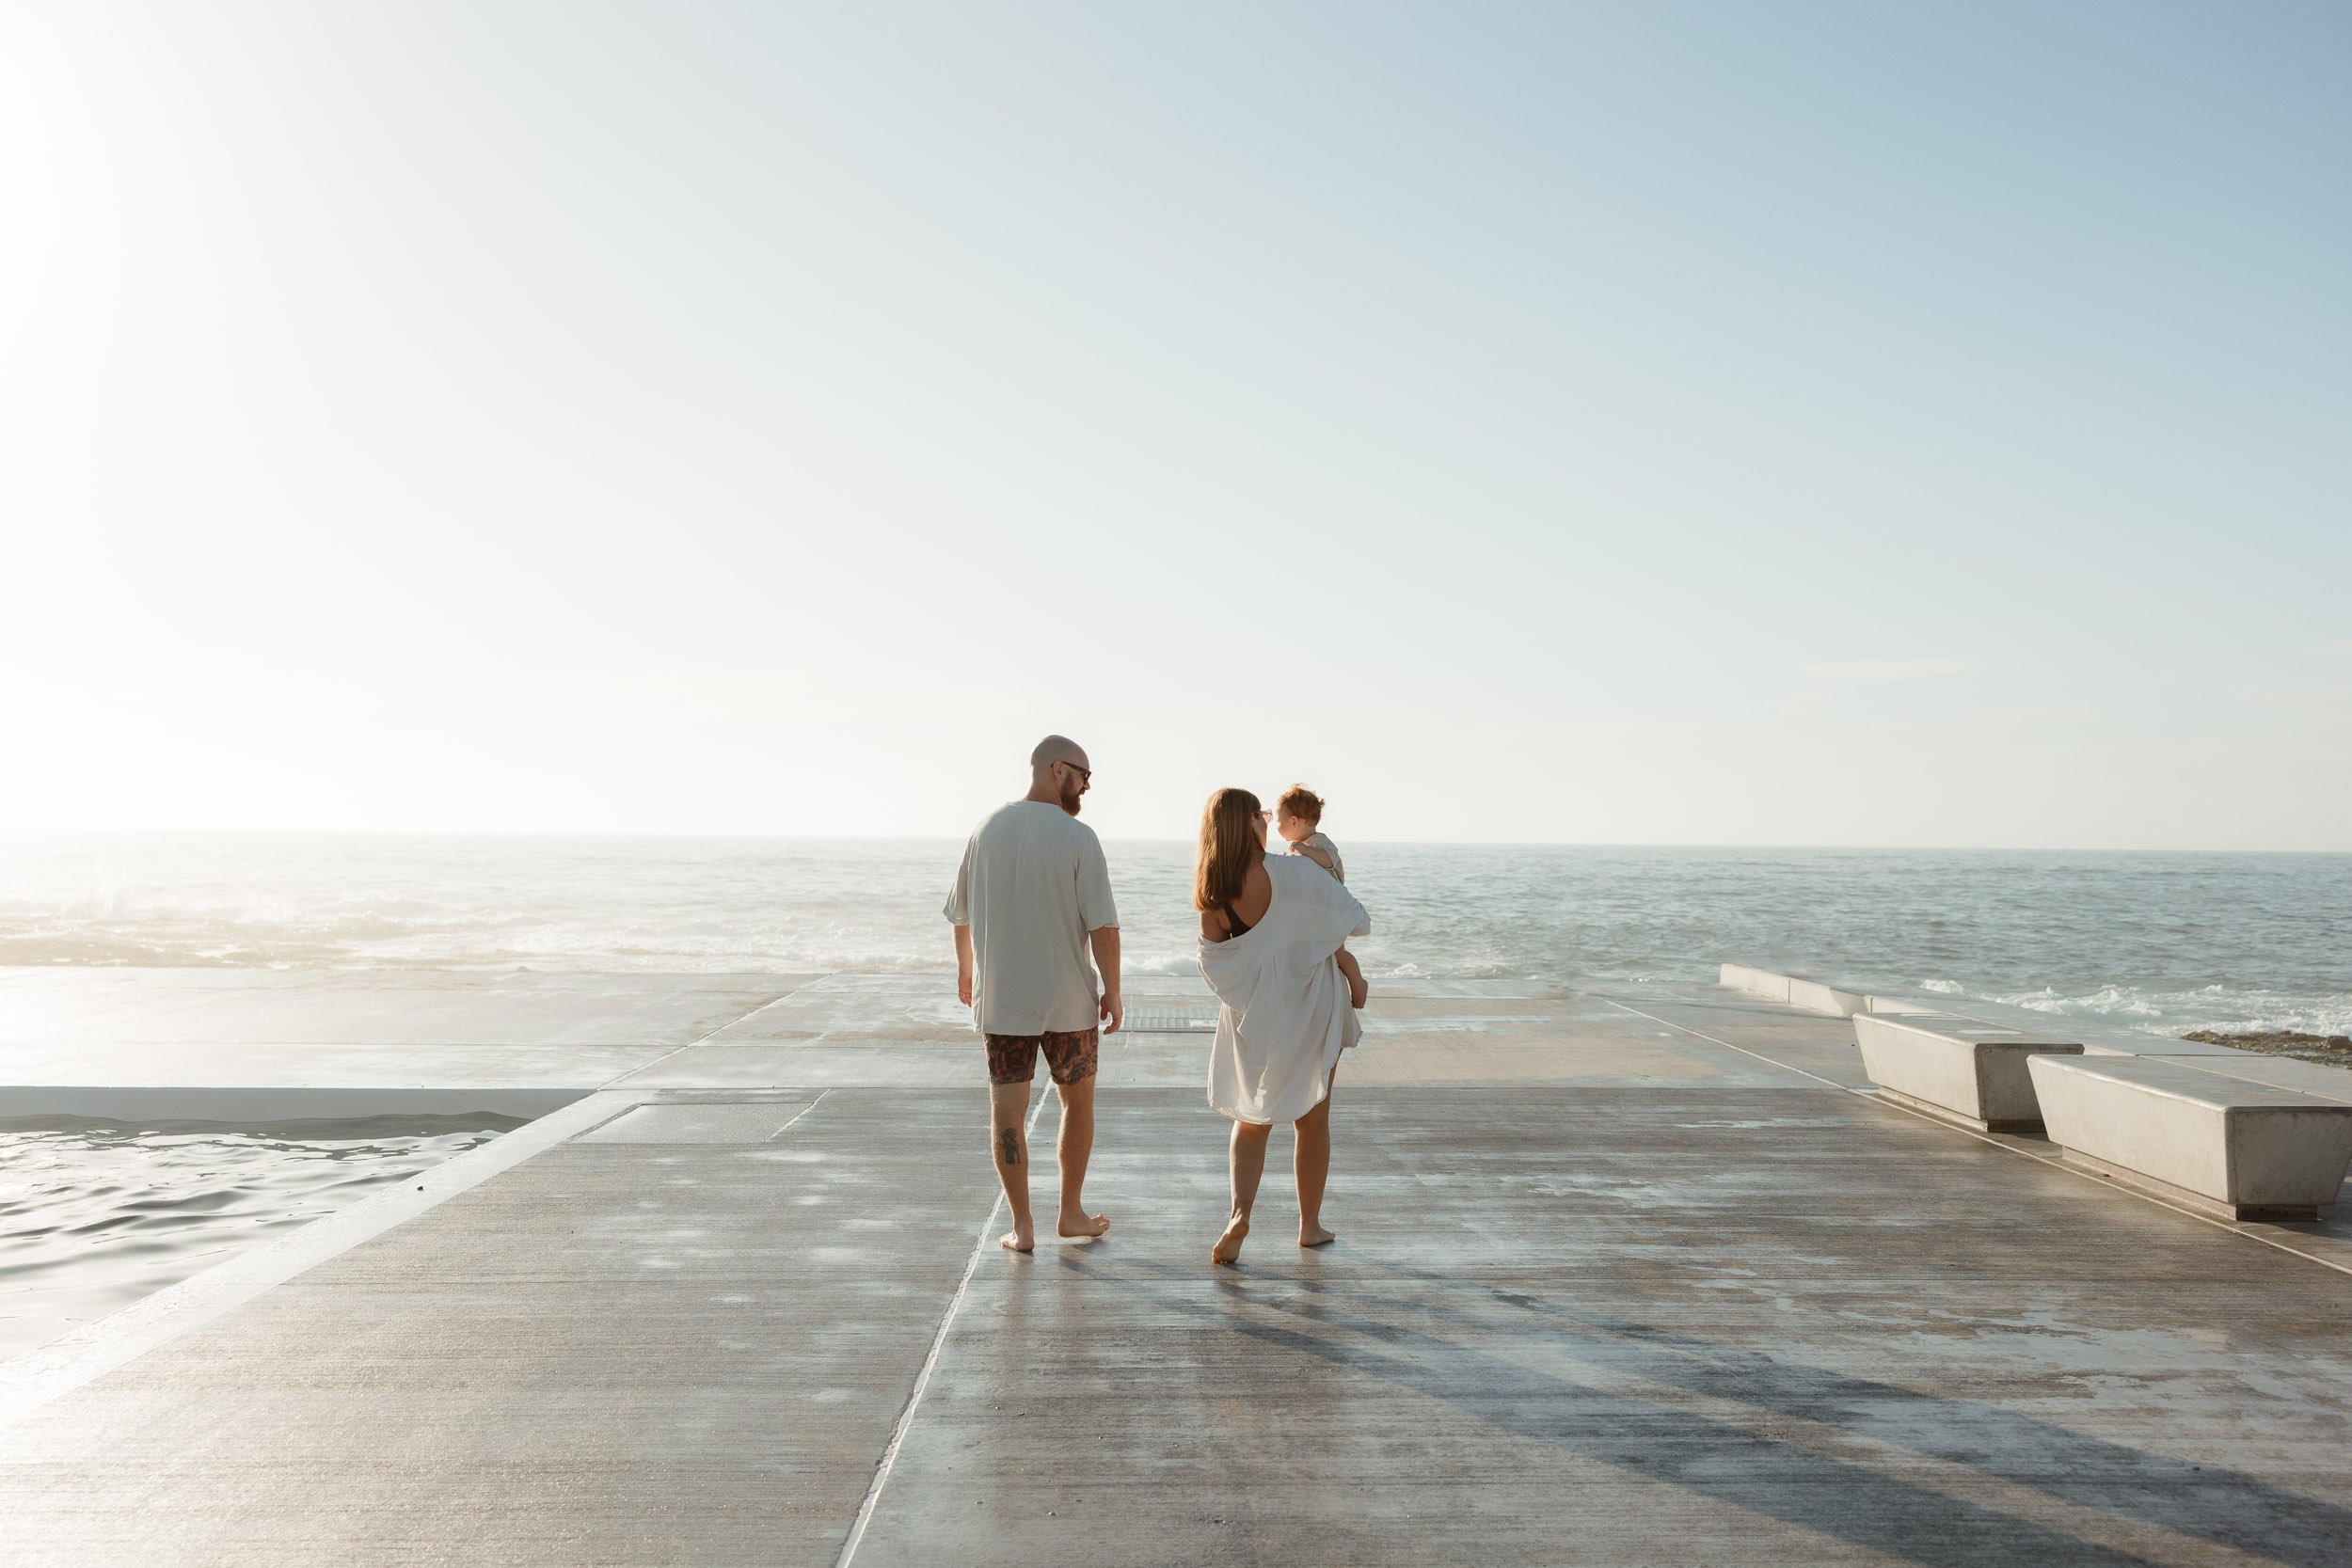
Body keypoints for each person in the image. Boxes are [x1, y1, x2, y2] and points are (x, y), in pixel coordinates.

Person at [946, 735, 1122, 1253]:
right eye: (1083, 775)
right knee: (1078, 1103)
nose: (1086, 787)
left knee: (1007, 1113)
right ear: (1056, 768)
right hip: (1069, 1001)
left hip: (1002, 1001)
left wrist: (966, 972)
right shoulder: (1078, 837)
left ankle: (1023, 1228)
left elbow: (959, 913)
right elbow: (1104, 925)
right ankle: (1070, 1213)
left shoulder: (985, 829)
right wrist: (1113, 990)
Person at [1195, 786, 1369, 1266]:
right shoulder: (1295, 871)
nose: (1268, 820)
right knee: (1312, 1118)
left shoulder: (1212, 892)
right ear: (1249, 823)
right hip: (1311, 1004)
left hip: (1255, 1014)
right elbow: (1349, 917)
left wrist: (1254, 995)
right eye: (1261, 814)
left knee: (1251, 1119)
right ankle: (1309, 1226)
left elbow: (1214, 964)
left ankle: (1239, 1215)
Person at [1274, 784, 1367, 1010]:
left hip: (1330, 909)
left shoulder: (1319, 842)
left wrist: (1304, 850)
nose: (1277, 826)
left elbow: (1328, 859)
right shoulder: (1302, 846)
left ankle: (1359, 984)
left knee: (1339, 952)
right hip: (1315, 909)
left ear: (1294, 821)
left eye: (1278, 821)